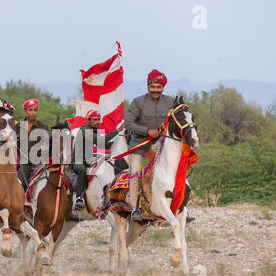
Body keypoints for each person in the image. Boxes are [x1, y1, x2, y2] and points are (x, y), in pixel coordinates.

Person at [124, 68, 195, 223]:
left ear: (163, 87)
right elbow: (128, 123)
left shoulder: (170, 102)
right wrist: (148, 131)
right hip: (140, 146)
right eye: (152, 87)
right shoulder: (138, 102)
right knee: (136, 172)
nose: (155, 90)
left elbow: (177, 121)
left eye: (158, 87)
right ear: (148, 86)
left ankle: (182, 209)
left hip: (161, 145)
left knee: (180, 170)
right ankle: (135, 208)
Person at [71, 110, 124, 210]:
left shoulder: (95, 131)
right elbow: (101, 141)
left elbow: (101, 144)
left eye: (99, 119)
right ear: (89, 120)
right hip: (78, 162)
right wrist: (118, 130)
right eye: (95, 120)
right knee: (82, 169)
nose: (97, 122)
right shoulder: (84, 130)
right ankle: (78, 198)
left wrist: (119, 142)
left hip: (89, 161)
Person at [15, 98, 50, 191]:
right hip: (25, 162)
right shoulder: (17, 127)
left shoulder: (43, 126)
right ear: (25, 111)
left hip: (40, 161)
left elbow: (49, 143)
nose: (33, 112)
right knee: (19, 184)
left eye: (35, 110)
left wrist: (45, 146)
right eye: (30, 110)